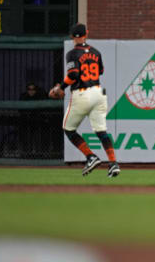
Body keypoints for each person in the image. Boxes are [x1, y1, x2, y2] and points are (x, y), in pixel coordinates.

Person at [49, 23, 120, 177]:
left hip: (82, 94)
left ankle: (90, 156)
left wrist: (60, 87)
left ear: (71, 37)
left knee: (68, 129)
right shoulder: (96, 52)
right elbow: (100, 71)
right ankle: (113, 163)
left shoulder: (73, 53)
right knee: (101, 131)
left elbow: (73, 74)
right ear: (86, 33)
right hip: (98, 93)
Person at [19, 83, 48, 155]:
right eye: (29, 89)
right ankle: (25, 153)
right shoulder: (24, 97)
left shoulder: (39, 97)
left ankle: (40, 153)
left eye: (33, 89)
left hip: (37, 122)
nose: (31, 91)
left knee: (39, 137)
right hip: (26, 122)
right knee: (26, 137)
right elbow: (20, 110)